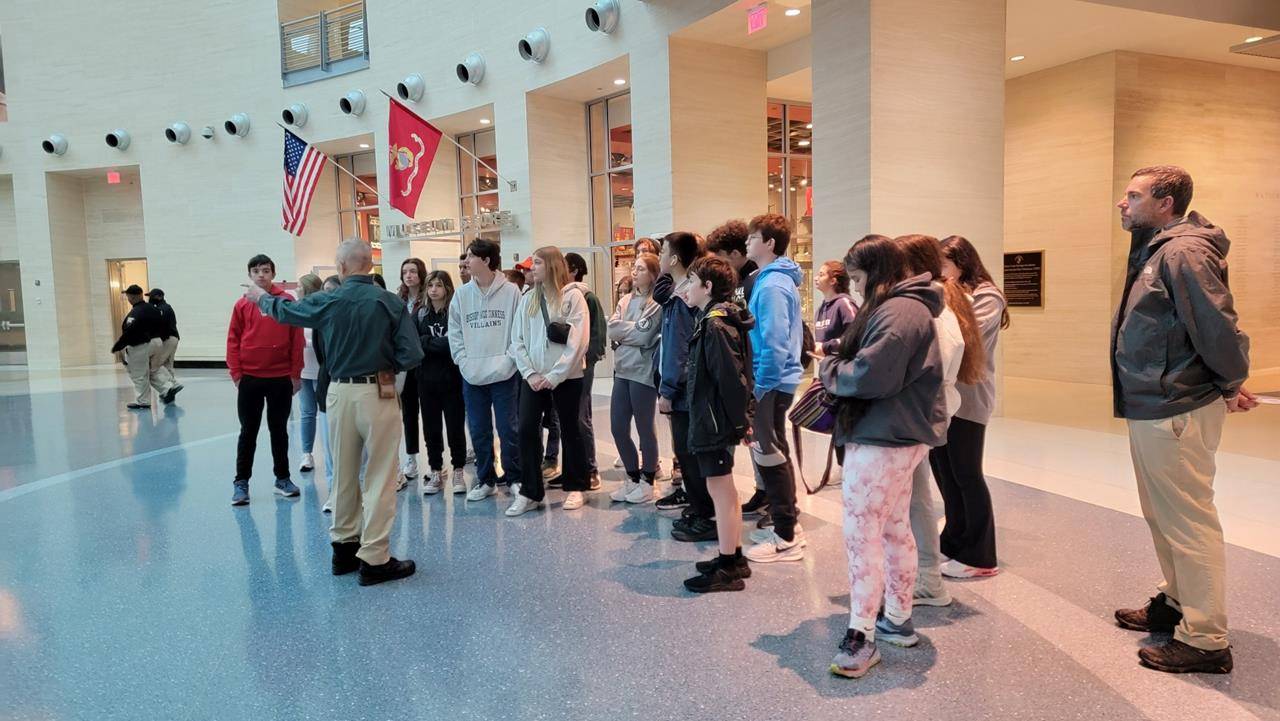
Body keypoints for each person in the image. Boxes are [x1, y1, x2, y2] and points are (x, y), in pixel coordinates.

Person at [1110, 166, 1254, 674]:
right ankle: (1176, 601)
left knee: (1188, 521)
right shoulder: (1156, 249)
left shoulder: (1183, 252)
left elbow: (1217, 327)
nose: (1122, 203)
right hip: (1154, 403)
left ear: (1166, 203)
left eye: (1133, 195)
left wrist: (1230, 382)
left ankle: (1206, 639)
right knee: (1162, 514)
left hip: (1176, 406)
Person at [247, 239, 423, 586]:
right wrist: (385, 362)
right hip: (378, 391)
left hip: (338, 392)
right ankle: (375, 557)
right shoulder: (389, 302)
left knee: (342, 473)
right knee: (380, 475)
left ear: (341, 267)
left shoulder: (329, 299)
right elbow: (412, 353)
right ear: (370, 265)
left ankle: (343, 548)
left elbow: (289, 313)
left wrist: (261, 298)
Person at [819, 235, 946, 679]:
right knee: (893, 528)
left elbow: (871, 374)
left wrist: (829, 369)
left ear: (876, 271)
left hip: (883, 434)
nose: (854, 287)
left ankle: (862, 636)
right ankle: (896, 619)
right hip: (895, 433)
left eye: (857, 278)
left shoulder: (900, 310)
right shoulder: (909, 307)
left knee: (862, 535)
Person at [894, 234, 986, 608]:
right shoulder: (929, 304)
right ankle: (922, 572)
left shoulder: (934, 308)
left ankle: (928, 576)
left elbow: (933, 366)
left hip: (918, 414)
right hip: (919, 413)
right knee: (919, 494)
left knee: (919, 495)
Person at [934, 235, 1010, 579]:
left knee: (966, 474)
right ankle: (954, 541)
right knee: (945, 473)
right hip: (943, 398)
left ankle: (980, 556)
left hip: (970, 398)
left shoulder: (987, 296)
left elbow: (963, 337)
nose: (939, 271)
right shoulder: (949, 293)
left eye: (943, 264)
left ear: (962, 262)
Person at [680, 256, 756, 593]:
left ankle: (728, 567)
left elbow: (731, 379)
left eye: (691, 281)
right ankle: (733, 555)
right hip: (717, 418)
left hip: (715, 421)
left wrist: (741, 422)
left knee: (720, 491)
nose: (686, 288)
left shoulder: (715, 325)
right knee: (723, 490)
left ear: (707, 287)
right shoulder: (717, 320)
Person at [506, 246, 591, 516]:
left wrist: (555, 376)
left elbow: (578, 342)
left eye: (538, 263)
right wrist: (530, 374)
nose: (532, 268)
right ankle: (530, 492)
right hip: (533, 378)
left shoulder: (573, 298)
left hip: (566, 377)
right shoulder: (528, 299)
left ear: (552, 265)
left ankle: (576, 486)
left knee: (570, 429)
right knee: (526, 430)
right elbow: (517, 340)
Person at [741, 214, 806, 564]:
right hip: (772, 380)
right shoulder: (772, 280)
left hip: (772, 381)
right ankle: (787, 524)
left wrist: (760, 387)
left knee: (769, 452)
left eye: (753, 237)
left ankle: (786, 536)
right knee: (772, 450)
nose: (747, 243)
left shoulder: (772, 286)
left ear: (769, 243)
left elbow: (775, 342)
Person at [449, 239, 523, 502]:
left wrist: (509, 361)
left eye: (471, 256)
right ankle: (486, 480)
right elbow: (454, 332)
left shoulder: (511, 292)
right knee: (479, 430)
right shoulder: (461, 295)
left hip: (504, 373)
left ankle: (514, 478)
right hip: (472, 374)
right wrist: (463, 361)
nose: (466, 261)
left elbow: (519, 330)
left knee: (508, 429)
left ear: (487, 260)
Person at [226, 255, 303, 506]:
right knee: (248, 432)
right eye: (256, 271)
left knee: (279, 430)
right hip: (250, 378)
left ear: (273, 274)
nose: (261, 275)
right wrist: (237, 374)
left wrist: (295, 374)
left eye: (266, 270)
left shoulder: (286, 301)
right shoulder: (241, 305)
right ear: (250, 275)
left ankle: (282, 479)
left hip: (280, 377)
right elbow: (233, 340)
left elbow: (296, 340)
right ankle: (241, 482)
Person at [654, 232, 715, 541]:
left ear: (675, 258)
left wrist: (667, 389)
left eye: (663, 252)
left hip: (683, 391)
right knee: (687, 452)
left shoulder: (682, 299)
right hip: (684, 388)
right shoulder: (680, 293)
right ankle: (699, 507)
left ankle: (706, 515)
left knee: (689, 453)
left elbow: (678, 350)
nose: (659, 258)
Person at [607, 252, 663, 503]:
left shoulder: (656, 304)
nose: (634, 272)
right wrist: (633, 331)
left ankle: (647, 480)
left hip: (643, 372)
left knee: (644, 428)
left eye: (641, 269)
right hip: (622, 370)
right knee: (618, 427)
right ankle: (631, 476)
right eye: (634, 267)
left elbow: (645, 335)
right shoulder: (624, 300)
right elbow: (612, 329)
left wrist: (626, 334)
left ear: (652, 274)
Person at [416, 270, 468, 495]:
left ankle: (458, 470)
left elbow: (455, 343)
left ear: (447, 288)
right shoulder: (420, 314)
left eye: (438, 285)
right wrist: (435, 343)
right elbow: (414, 343)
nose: (433, 290)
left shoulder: (455, 312)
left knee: (455, 427)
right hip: (426, 380)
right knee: (431, 428)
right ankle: (436, 470)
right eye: (430, 285)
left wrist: (428, 342)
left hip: (452, 379)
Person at [810, 259, 859, 467]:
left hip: (844, 379)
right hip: (828, 377)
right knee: (836, 430)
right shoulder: (821, 308)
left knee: (845, 430)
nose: (816, 278)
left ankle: (850, 470)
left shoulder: (844, 304)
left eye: (821, 274)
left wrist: (826, 347)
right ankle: (844, 469)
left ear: (834, 280)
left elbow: (855, 336)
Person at [565, 252, 606, 491]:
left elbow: (598, 337)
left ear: (573, 270)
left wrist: (585, 360)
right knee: (567, 418)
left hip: (581, 366)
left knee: (581, 416)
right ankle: (573, 469)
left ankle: (590, 469)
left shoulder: (588, 297)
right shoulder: (562, 296)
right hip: (564, 366)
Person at [111, 284, 177, 410]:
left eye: (128, 296)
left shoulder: (135, 312)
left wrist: (119, 347)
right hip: (157, 343)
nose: (128, 299)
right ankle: (168, 388)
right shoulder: (154, 309)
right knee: (153, 370)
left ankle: (143, 401)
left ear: (132, 297)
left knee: (138, 374)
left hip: (141, 345)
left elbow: (130, 331)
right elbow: (164, 326)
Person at [396, 258, 429, 486]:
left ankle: (435, 461)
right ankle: (411, 458)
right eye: (405, 272)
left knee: (429, 413)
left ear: (420, 274)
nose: (409, 275)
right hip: (405, 365)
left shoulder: (428, 299)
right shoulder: (398, 299)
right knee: (409, 413)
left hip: (425, 362)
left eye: (413, 271)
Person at [315, 274, 341, 512]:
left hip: (352, 387)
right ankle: (334, 492)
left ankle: (359, 492)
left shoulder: (352, 318)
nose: (327, 295)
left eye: (332, 290)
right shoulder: (321, 321)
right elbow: (320, 354)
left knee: (357, 449)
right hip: (327, 385)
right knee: (330, 447)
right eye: (325, 291)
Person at [296, 274, 324, 474]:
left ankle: (331, 451)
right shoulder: (298, 310)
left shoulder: (321, 310)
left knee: (325, 413)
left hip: (321, 370)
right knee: (307, 412)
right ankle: (307, 453)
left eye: (299, 286)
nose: (296, 289)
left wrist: (305, 343)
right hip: (304, 370)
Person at [707, 219, 758, 308]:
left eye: (719, 256)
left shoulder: (757, 280)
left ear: (735, 253)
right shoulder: (732, 277)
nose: (716, 263)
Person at [146, 288, 183, 394]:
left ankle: (171, 385)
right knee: (168, 365)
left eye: (151, 296)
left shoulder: (162, 309)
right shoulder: (166, 307)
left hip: (167, 339)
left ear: (159, 296)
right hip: (173, 338)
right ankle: (172, 390)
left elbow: (162, 325)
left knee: (155, 366)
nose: (149, 299)